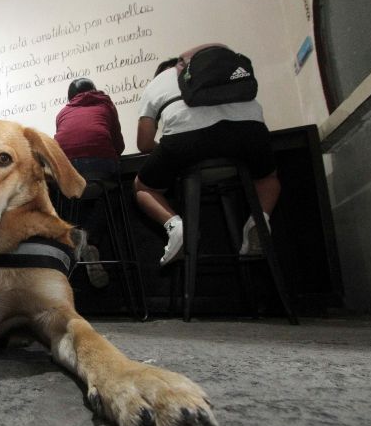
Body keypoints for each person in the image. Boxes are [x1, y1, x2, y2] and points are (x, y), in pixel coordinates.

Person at [135, 44, 281, 266]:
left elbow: (144, 144)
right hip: (249, 131)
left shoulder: (157, 83)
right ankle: (259, 221)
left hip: (188, 139)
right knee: (267, 178)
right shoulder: (217, 67)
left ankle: (176, 227)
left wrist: (174, 153)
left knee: (143, 187)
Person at [54, 78, 125, 288]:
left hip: (67, 170)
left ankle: (73, 242)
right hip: (100, 167)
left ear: (70, 98)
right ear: (93, 90)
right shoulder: (104, 103)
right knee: (113, 191)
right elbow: (118, 145)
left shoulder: (62, 112)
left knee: (67, 197)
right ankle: (89, 239)